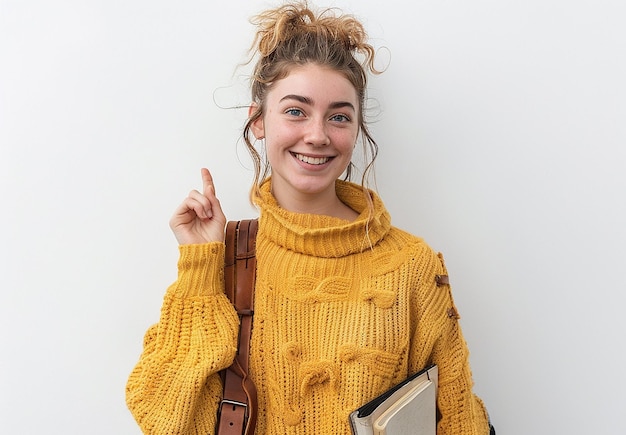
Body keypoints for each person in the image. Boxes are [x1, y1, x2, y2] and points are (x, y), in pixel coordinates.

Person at [126, 1, 493, 434]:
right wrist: (200, 265)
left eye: (338, 116)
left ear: (356, 130)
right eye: (296, 110)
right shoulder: (223, 258)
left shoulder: (413, 265)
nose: (317, 135)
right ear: (259, 121)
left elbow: (459, 419)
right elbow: (163, 418)